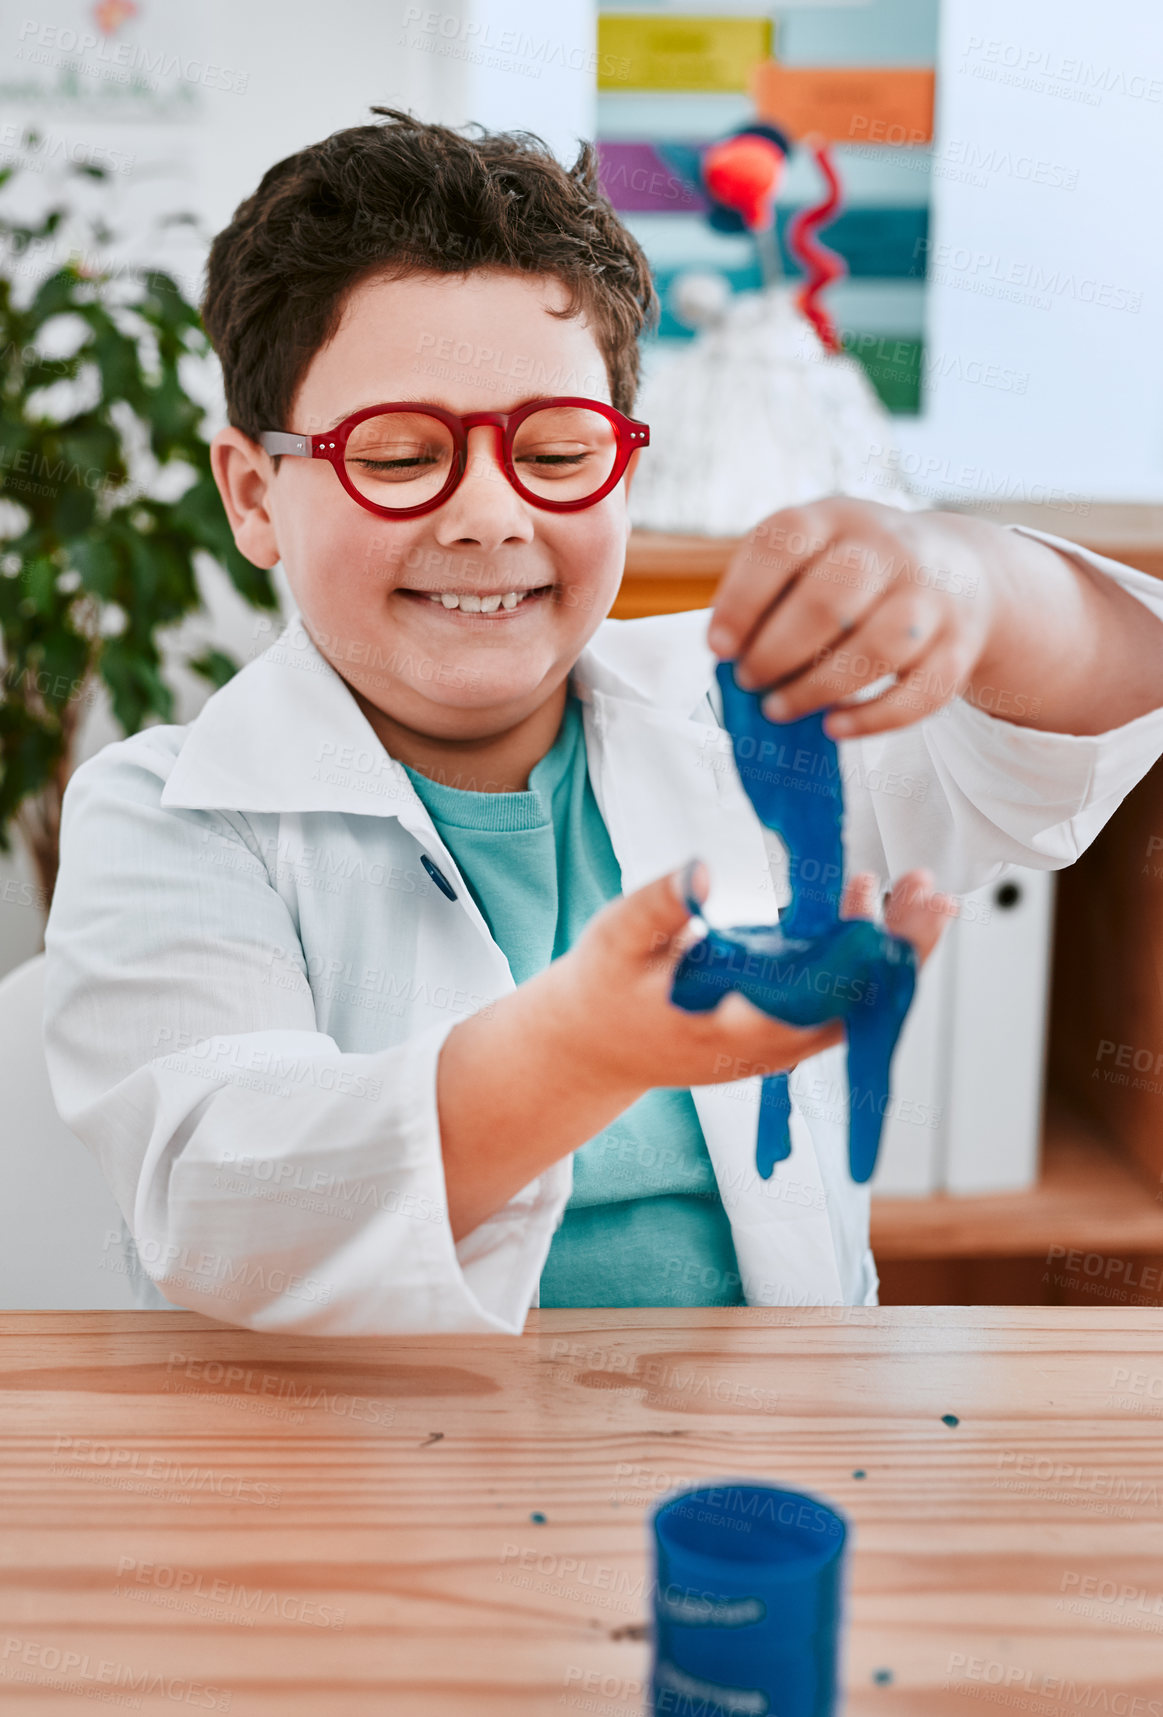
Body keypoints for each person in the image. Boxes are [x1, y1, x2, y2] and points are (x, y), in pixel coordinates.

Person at [42, 109, 1163, 1332]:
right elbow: (223, 1207)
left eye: (559, 450)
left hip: (750, 1461)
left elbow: (1104, 704)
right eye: (403, 454)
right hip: (355, 1486)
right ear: (256, 496)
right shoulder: (168, 816)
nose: (487, 515)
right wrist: (581, 1049)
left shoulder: (755, 714)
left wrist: (978, 584)